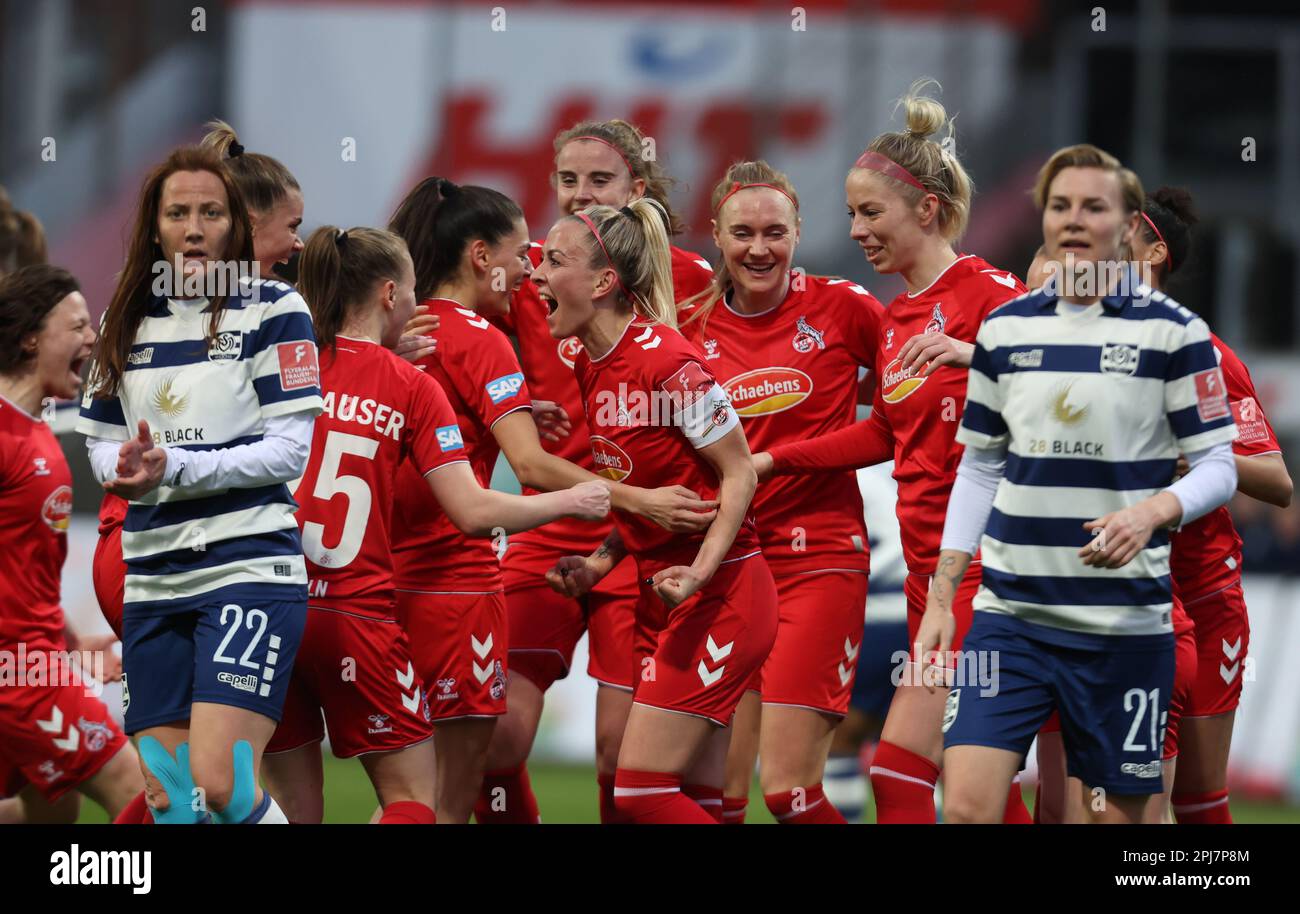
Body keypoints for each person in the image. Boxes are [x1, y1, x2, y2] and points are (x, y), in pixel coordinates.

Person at [920, 144, 1240, 824]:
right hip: (1011, 620)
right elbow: (980, 466)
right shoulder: (1006, 330)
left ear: (1126, 224)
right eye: (1060, 205)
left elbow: (1220, 466)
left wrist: (1152, 512)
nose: (1073, 219)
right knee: (966, 808)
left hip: (1122, 628)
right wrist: (944, 593)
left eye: (1093, 205)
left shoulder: (1178, 336)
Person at [259, 225, 607, 823]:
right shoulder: (411, 385)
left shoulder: (280, 365)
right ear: (391, 294)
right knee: (420, 804)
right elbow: (473, 512)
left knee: (291, 809)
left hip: (273, 609)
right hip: (359, 615)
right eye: (415, 293)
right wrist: (576, 500)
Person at [753, 80, 1031, 823]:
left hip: (986, 574)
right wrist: (775, 460)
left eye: (871, 212)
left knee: (911, 776)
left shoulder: (992, 293)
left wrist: (974, 355)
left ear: (928, 210)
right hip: (924, 575)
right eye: (851, 214)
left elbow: (1056, 388)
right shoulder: (896, 318)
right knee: (954, 788)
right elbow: (886, 433)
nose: (856, 230)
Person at [386, 177, 683, 823]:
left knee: (406, 788)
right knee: (451, 796)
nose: (529, 271)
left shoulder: (405, 329)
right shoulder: (483, 338)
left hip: (383, 582)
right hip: (455, 582)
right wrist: (640, 499)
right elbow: (529, 465)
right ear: (480, 257)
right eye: (523, 254)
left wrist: (508, 412)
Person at [77, 144, 323, 824]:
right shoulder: (123, 317)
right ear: (155, 227)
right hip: (152, 578)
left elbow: (288, 452)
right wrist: (123, 471)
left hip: (246, 566)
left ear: (233, 226)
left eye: (209, 212)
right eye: (178, 212)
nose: (193, 227)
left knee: (218, 782)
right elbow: (100, 441)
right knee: (169, 801)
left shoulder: (275, 309)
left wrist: (174, 469)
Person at [480, 118, 716, 824]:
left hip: (642, 536)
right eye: (568, 180)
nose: (581, 194)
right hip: (548, 527)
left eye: (600, 181)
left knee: (619, 755)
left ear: (636, 189)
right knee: (494, 737)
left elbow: (715, 408)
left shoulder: (692, 279)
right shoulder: (527, 278)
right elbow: (465, 356)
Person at [533, 197, 776, 823]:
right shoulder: (592, 364)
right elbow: (647, 487)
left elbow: (739, 470)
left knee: (639, 789)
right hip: (666, 596)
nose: (535, 275)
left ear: (604, 281)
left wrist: (698, 575)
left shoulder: (669, 363)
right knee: (697, 801)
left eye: (554, 262)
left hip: (722, 597)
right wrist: (599, 560)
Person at [677, 160, 884, 824]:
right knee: (720, 797)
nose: (758, 248)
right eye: (742, 232)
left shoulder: (845, 307)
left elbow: (903, 409)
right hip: (729, 571)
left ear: (799, 232)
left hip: (819, 562)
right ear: (715, 234)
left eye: (775, 232)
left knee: (790, 791)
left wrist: (782, 458)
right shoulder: (689, 326)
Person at [0, 264, 144, 823]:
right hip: (22, 674)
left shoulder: (39, 430)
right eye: (78, 326)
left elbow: (22, 578)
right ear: (32, 336)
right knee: (146, 794)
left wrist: (72, 640)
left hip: (36, 661)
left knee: (49, 816)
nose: (92, 339)